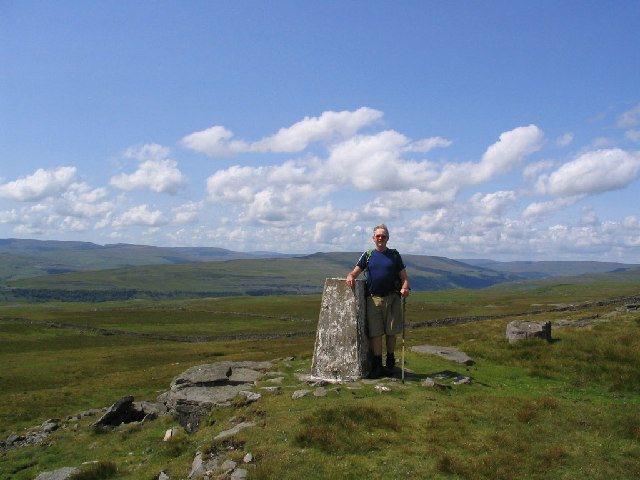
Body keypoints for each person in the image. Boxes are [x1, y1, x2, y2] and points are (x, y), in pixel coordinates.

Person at [346, 224, 410, 378]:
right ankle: (377, 366)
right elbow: (355, 271)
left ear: (388, 238)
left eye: (383, 236)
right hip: (373, 299)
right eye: (378, 236)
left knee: (391, 332)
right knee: (375, 333)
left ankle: (389, 363)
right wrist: (350, 277)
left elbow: (404, 278)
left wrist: (405, 288)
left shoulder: (394, 256)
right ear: (373, 238)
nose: (380, 238)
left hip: (392, 298)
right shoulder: (367, 255)